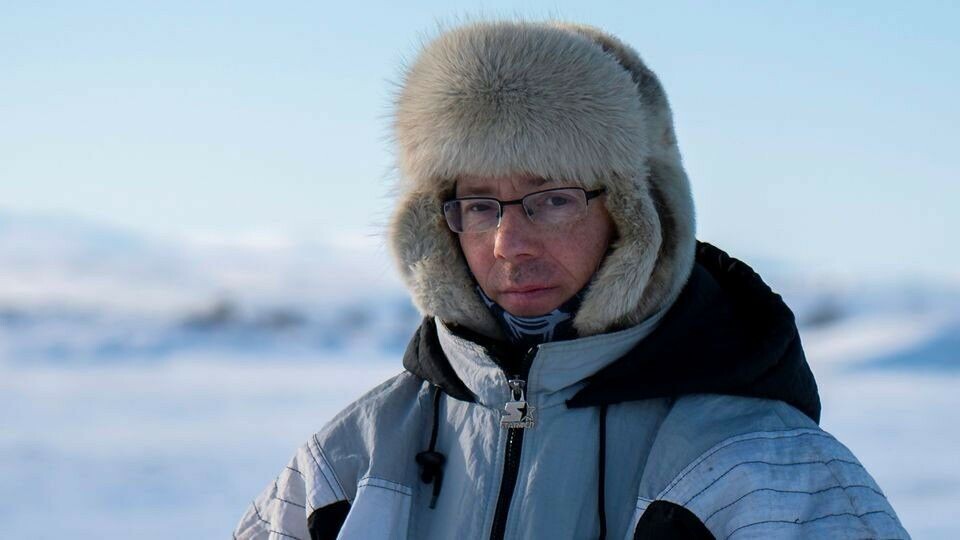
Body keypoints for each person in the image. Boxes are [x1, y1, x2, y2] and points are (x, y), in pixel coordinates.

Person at [234, 20, 909, 539]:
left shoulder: (758, 468)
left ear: (637, 216)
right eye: (477, 204)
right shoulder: (357, 455)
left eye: (551, 198)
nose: (508, 241)